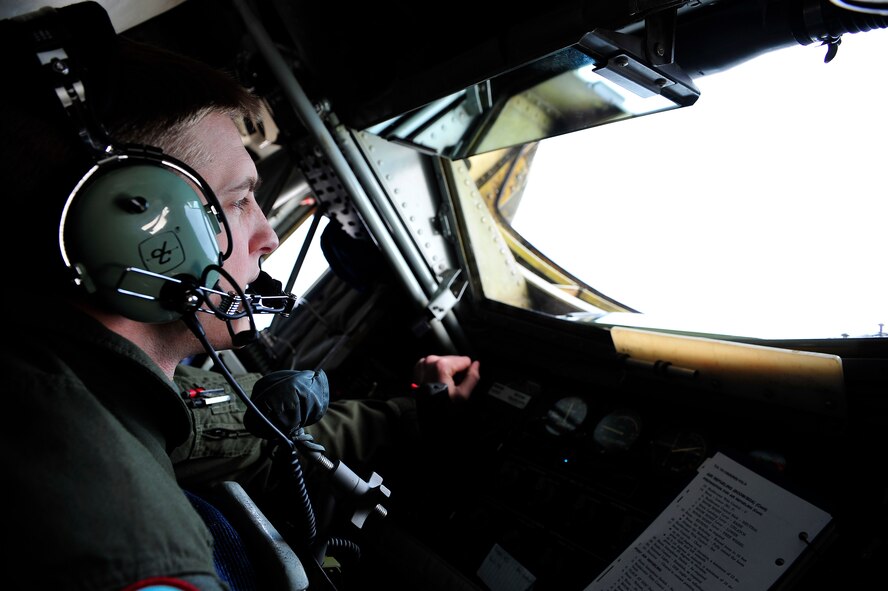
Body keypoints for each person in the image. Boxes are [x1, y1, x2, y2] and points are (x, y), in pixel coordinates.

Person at [0, 2, 480, 590]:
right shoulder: (131, 544)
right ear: (136, 228)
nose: (269, 237)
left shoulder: (80, 378)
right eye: (238, 200)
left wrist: (416, 412)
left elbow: (239, 427)